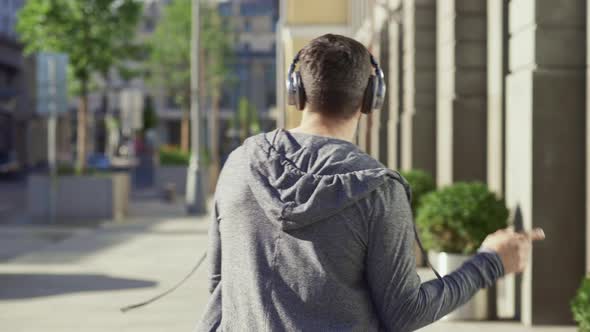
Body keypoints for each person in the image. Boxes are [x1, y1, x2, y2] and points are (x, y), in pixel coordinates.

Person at [196, 34, 545, 332]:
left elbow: (218, 290)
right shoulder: (378, 191)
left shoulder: (239, 164)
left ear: (297, 91)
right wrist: (490, 262)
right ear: (371, 98)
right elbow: (406, 312)